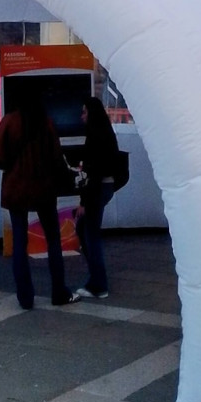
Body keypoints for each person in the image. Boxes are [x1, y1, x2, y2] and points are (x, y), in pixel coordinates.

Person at [0, 98, 77, 310]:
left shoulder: (10, 122)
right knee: (53, 240)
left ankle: (25, 298)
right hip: (44, 190)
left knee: (19, 243)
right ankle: (59, 291)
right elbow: (57, 158)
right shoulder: (46, 123)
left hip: (16, 190)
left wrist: (12, 164)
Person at [73, 95, 124, 300]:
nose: (82, 116)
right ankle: (96, 278)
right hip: (104, 187)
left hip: (97, 189)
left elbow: (94, 173)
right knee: (84, 229)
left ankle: (99, 284)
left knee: (90, 234)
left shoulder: (95, 135)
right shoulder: (105, 132)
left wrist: (84, 202)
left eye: (84, 112)